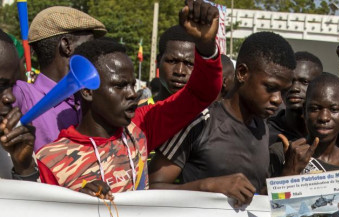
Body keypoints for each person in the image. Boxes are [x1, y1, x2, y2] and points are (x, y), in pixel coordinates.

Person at [36, 0, 222, 198]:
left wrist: (206, 46)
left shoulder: (140, 127)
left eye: (132, 85)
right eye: (119, 86)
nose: (133, 93)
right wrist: (78, 204)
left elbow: (201, 94)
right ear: (88, 91)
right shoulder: (51, 160)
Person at [149, 31, 295, 204]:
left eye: (283, 92)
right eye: (270, 87)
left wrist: (289, 174)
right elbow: (151, 187)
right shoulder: (200, 120)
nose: (278, 99)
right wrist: (209, 186)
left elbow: (254, 199)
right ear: (242, 73)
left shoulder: (263, 127)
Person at [13, 6, 106, 150]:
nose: (94, 52)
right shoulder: (22, 95)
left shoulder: (85, 99)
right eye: (89, 44)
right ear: (66, 46)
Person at [271, 73, 339, 176]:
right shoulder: (282, 154)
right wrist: (289, 172)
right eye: (315, 109)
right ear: (304, 111)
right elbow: (260, 192)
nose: (324, 117)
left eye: (334, 110)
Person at [0, 29, 37, 180]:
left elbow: (30, 203)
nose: (10, 98)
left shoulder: (10, 147)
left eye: (12, 85)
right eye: (1, 85)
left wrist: (24, 167)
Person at [267, 51, 323, 145]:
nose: (295, 88)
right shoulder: (265, 134)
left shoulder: (327, 132)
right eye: (290, 81)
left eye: (304, 82)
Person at [153, 25, 197, 103]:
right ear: (159, 61)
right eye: (172, 61)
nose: (180, 71)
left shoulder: (210, 114)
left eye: (189, 64)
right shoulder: (136, 113)